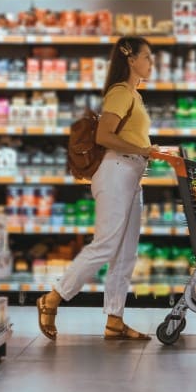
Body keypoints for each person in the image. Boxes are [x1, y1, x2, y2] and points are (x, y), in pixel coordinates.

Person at [37, 36, 159, 341]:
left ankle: (115, 319)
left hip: (131, 175)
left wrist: (149, 150)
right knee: (105, 245)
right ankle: (53, 298)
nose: (152, 62)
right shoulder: (120, 93)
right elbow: (104, 136)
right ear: (132, 60)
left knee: (126, 253)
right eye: (148, 57)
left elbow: (131, 137)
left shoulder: (135, 95)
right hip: (116, 172)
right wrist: (143, 150)